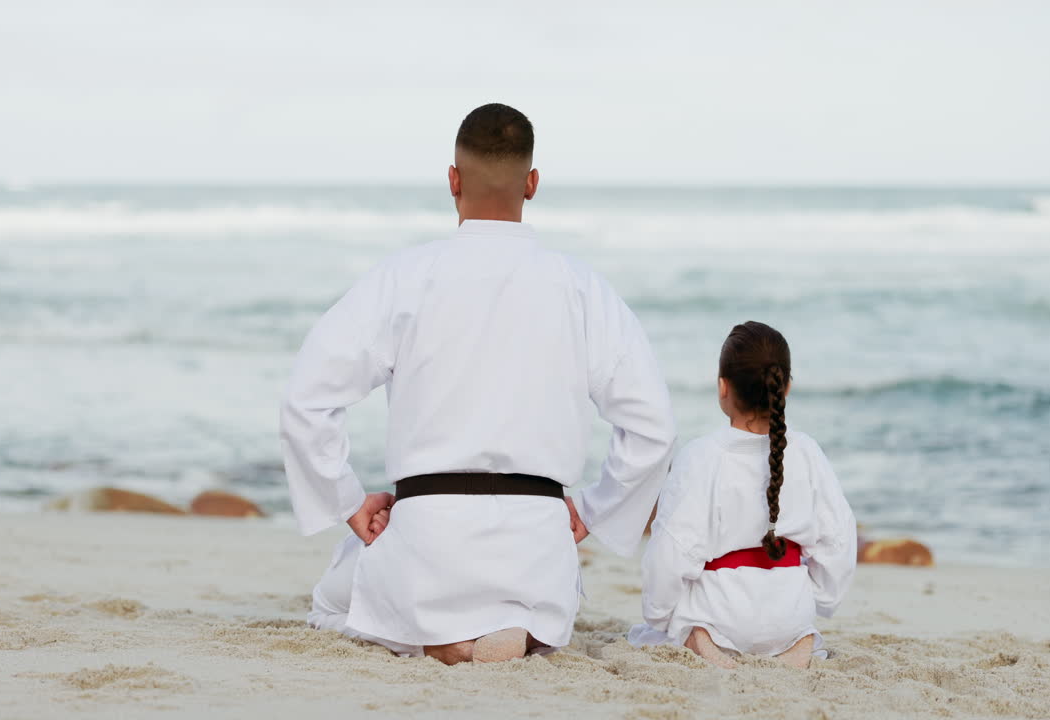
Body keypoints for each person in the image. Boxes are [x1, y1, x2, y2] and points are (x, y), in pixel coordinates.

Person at [281, 103, 676, 664]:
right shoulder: (582, 288)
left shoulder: (405, 278)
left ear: (453, 180)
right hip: (539, 544)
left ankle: (449, 644)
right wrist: (593, 509)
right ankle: (522, 629)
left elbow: (306, 400)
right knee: (533, 592)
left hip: (428, 534)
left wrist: (346, 500)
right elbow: (653, 428)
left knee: (331, 605)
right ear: (532, 183)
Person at [627, 322, 856, 668]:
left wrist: (658, 615)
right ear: (787, 387)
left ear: (723, 387)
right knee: (794, 624)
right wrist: (822, 598)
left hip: (719, 612)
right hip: (788, 611)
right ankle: (797, 642)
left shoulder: (700, 456)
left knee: (663, 628)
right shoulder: (808, 452)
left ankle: (701, 638)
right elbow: (838, 539)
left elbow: (671, 552)